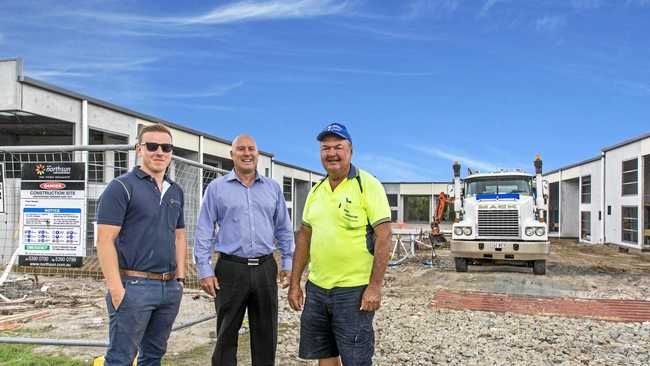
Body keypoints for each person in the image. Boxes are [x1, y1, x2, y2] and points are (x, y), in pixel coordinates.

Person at [288, 123, 392, 366]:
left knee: (356, 359)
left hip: (353, 291)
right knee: (325, 353)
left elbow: (384, 237)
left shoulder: (368, 185)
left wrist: (375, 287)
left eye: (338, 147)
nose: (331, 153)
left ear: (350, 151)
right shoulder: (316, 191)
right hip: (317, 289)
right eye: (325, 148)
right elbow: (304, 236)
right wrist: (295, 283)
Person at [194, 134, 294, 366]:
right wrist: (204, 269)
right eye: (241, 149)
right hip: (230, 269)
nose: (247, 153)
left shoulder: (273, 188)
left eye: (251, 149)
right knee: (226, 334)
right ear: (232, 155)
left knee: (266, 333)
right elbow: (204, 229)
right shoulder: (217, 189)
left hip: (265, 268)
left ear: (257, 154)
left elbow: (284, 228)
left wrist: (288, 262)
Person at [96, 123, 186, 366]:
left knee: (154, 357)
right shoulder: (121, 187)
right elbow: (104, 241)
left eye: (166, 147)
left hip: (169, 288)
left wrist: (180, 279)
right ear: (139, 149)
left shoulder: (175, 191)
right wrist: (116, 290)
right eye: (152, 146)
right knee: (120, 359)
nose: (159, 152)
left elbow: (179, 235)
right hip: (133, 286)